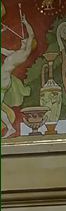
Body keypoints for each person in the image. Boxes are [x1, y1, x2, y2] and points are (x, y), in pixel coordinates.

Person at [1, 8, 34, 138]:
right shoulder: (14, 53)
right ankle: (9, 127)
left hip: (3, 81)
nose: (24, 39)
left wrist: (25, 23)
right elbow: (1, 49)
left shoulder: (24, 54)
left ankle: (10, 127)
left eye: (26, 40)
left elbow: (31, 36)